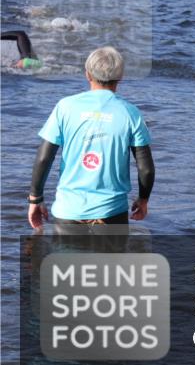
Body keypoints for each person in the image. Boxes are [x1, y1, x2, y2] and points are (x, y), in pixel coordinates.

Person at [28, 46, 154, 231]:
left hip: (68, 213)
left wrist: (35, 199)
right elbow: (146, 169)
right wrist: (143, 200)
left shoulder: (65, 107)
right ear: (120, 76)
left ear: (87, 74)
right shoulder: (131, 113)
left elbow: (44, 158)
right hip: (112, 214)